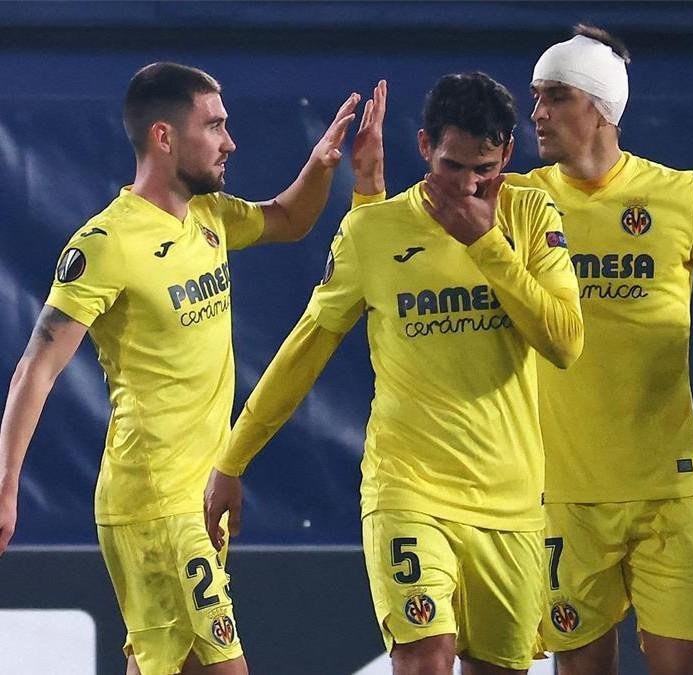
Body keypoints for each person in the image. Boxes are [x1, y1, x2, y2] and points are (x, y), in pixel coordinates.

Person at [0, 62, 383, 675]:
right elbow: (36, 368)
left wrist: (324, 163)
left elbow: (289, 219)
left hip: (198, 496)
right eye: (215, 125)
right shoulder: (106, 243)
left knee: (168, 664)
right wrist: (7, 486)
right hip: (154, 502)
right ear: (164, 137)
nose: (230, 141)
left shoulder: (210, 217)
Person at [203, 72, 583, 675]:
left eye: (483, 168)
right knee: (424, 657)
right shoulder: (374, 231)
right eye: (452, 165)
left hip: (510, 502)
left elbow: (564, 343)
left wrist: (489, 246)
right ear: (424, 144)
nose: (467, 184)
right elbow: (304, 351)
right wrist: (232, 460)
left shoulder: (532, 215)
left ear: (508, 153)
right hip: (409, 488)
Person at [502, 25, 693, 675]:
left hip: (666, 494)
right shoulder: (519, 202)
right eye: (534, 98)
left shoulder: (680, 197)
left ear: (599, 107)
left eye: (554, 96)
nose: (536, 113)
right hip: (563, 494)